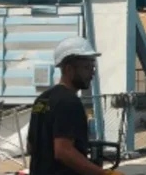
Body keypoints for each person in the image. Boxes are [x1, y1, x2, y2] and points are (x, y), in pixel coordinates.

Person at [27, 36, 122, 175]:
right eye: (87, 67)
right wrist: (102, 173)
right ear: (69, 69)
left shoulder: (42, 100)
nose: (92, 73)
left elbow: (31, 147)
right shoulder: (69, 102)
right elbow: (63, 151)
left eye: (93, 67)